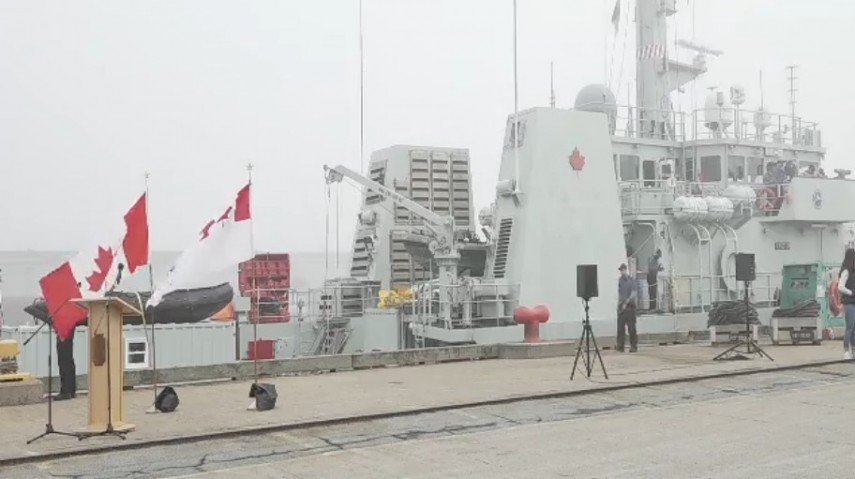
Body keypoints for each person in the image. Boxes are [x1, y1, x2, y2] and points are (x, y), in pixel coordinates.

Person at [617, 263, 638, 353]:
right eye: (621, 270)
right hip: (622, 306)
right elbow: (620, 293)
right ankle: (620, 345)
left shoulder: (631, 280)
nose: (622, 272)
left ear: (626, 270)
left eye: (623, 270)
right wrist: (619, 304)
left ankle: (633, 346)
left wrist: (627, 301)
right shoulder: (620, 281)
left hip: (630, 306)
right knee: (620, 327)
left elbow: (634, 293)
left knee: (631, 327)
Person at [839, 249, 855, 360]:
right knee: (849, 327)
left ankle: (853, 350)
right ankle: (846, 351)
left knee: (854, 328)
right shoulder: (846, 271)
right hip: (849, 303)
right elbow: (840, 286)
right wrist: (851, 293)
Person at [55, 324, 77, 400]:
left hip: (64, 338)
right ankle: (71, 391)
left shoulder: (64, 318)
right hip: (67, 338)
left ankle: (66, 391)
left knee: (64, 364)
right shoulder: (69, 317)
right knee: (69, 363)